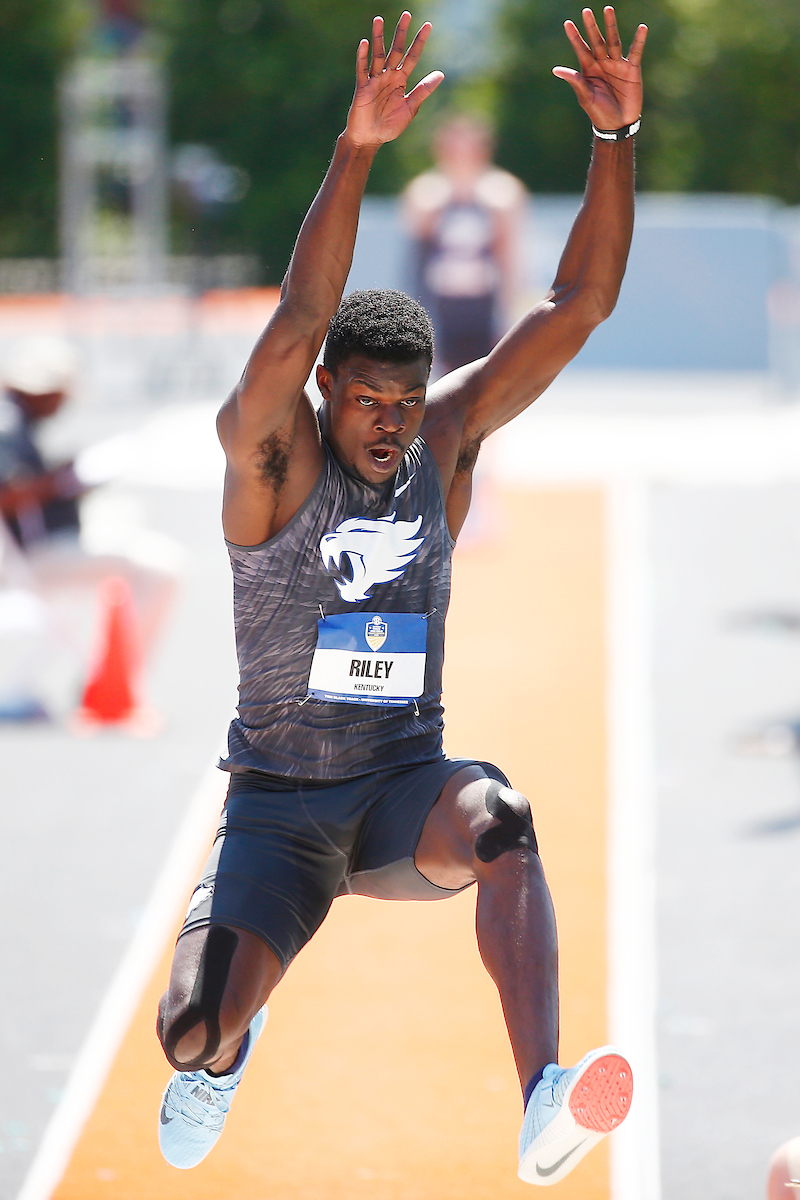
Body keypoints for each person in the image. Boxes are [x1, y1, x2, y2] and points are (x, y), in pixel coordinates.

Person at [157, 7, 647, 1186]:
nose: (388, 423)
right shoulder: (269, 461)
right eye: (366, 399)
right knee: (189, 1030)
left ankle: (541, 1099)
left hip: (396, 790)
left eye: (404, 400)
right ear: (326, 389)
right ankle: (223, 1048)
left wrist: (616, 137)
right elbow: (293, 319)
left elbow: (577, 307)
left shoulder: (445, 438)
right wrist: (358, 150)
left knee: (504, 819)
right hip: (276, 805)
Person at [0, 336, 179, 720]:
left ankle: (106, 676)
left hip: (41, 548)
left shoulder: (18, 423)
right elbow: (9, 495)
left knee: (144, 551)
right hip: (31, 556)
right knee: (161, 567)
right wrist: (58, 483)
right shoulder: (8, 425)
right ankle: (112, 681)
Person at [403, 113, 526, 375]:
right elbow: (417, 258)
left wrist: (509, 314)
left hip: (484, 303)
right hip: (443, 304)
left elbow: (510, 259)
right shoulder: (425, 192)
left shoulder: (502, 192)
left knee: (485, 380)